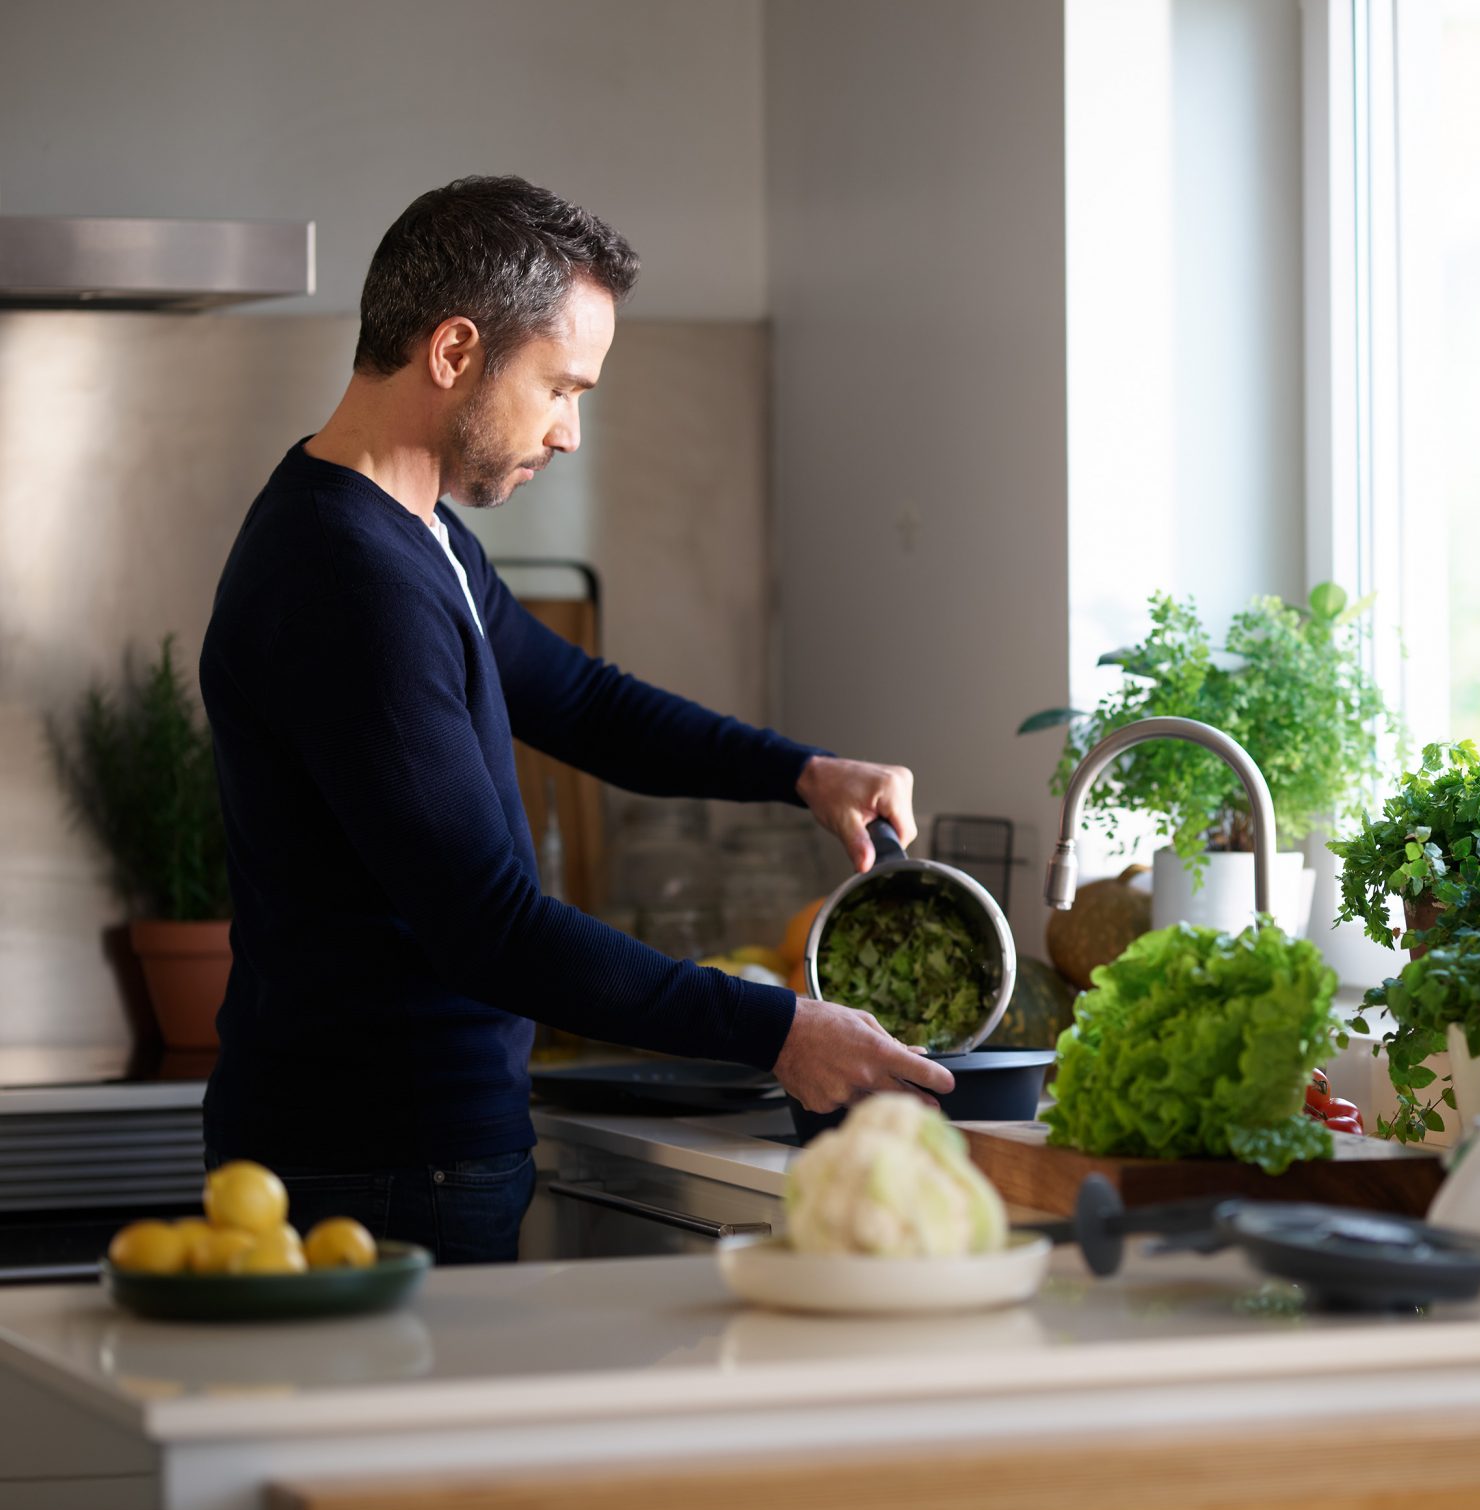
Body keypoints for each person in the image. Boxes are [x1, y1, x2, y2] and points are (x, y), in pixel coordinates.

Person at [198, 176, 951, 1263]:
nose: (570, 434)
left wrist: (804, 772)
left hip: (407, 1147)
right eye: (559, 388)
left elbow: (584, 703)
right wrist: (775, 1031)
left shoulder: (422, 539)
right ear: (455, 351)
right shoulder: (344, 580)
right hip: (375, 1159)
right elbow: (488, 927)